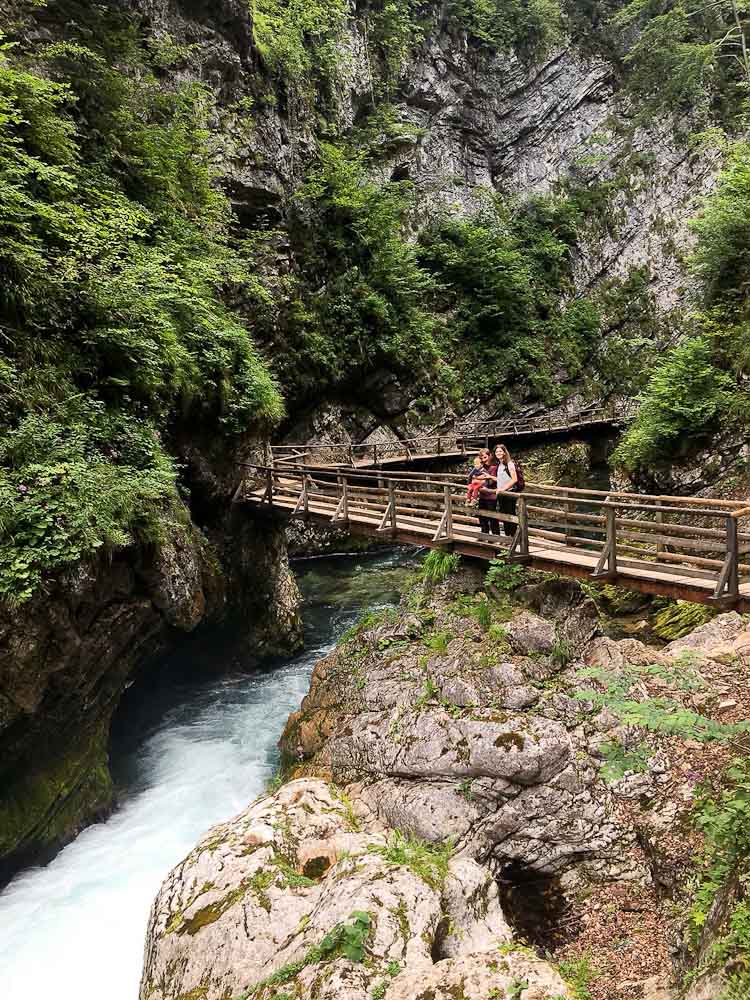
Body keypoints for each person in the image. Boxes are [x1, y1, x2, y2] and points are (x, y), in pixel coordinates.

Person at [494, 443, 518, 537]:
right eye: (496, 451)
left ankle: (513, 536)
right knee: (504, 514)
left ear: (504, 452)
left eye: (500, 451)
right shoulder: (499, 465)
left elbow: (514, 479)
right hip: (501, 493)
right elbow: (501, 479)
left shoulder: (509, 464)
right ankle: (508, 536)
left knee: (510, 514)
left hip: (509, 492)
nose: (498, 453)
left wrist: (503, 489)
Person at [475, 447, 501, 535]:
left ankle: (495, 535)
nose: (483, 460)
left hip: (491, 496)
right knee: (482, 516)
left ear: (490, 456)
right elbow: (475, 477)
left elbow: (491, 481)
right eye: (481, 458)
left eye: (485, 457)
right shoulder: (480, 467)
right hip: (482, 495)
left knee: (492, 517)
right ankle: (484, 534)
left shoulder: (494, 467)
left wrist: (483, 480)